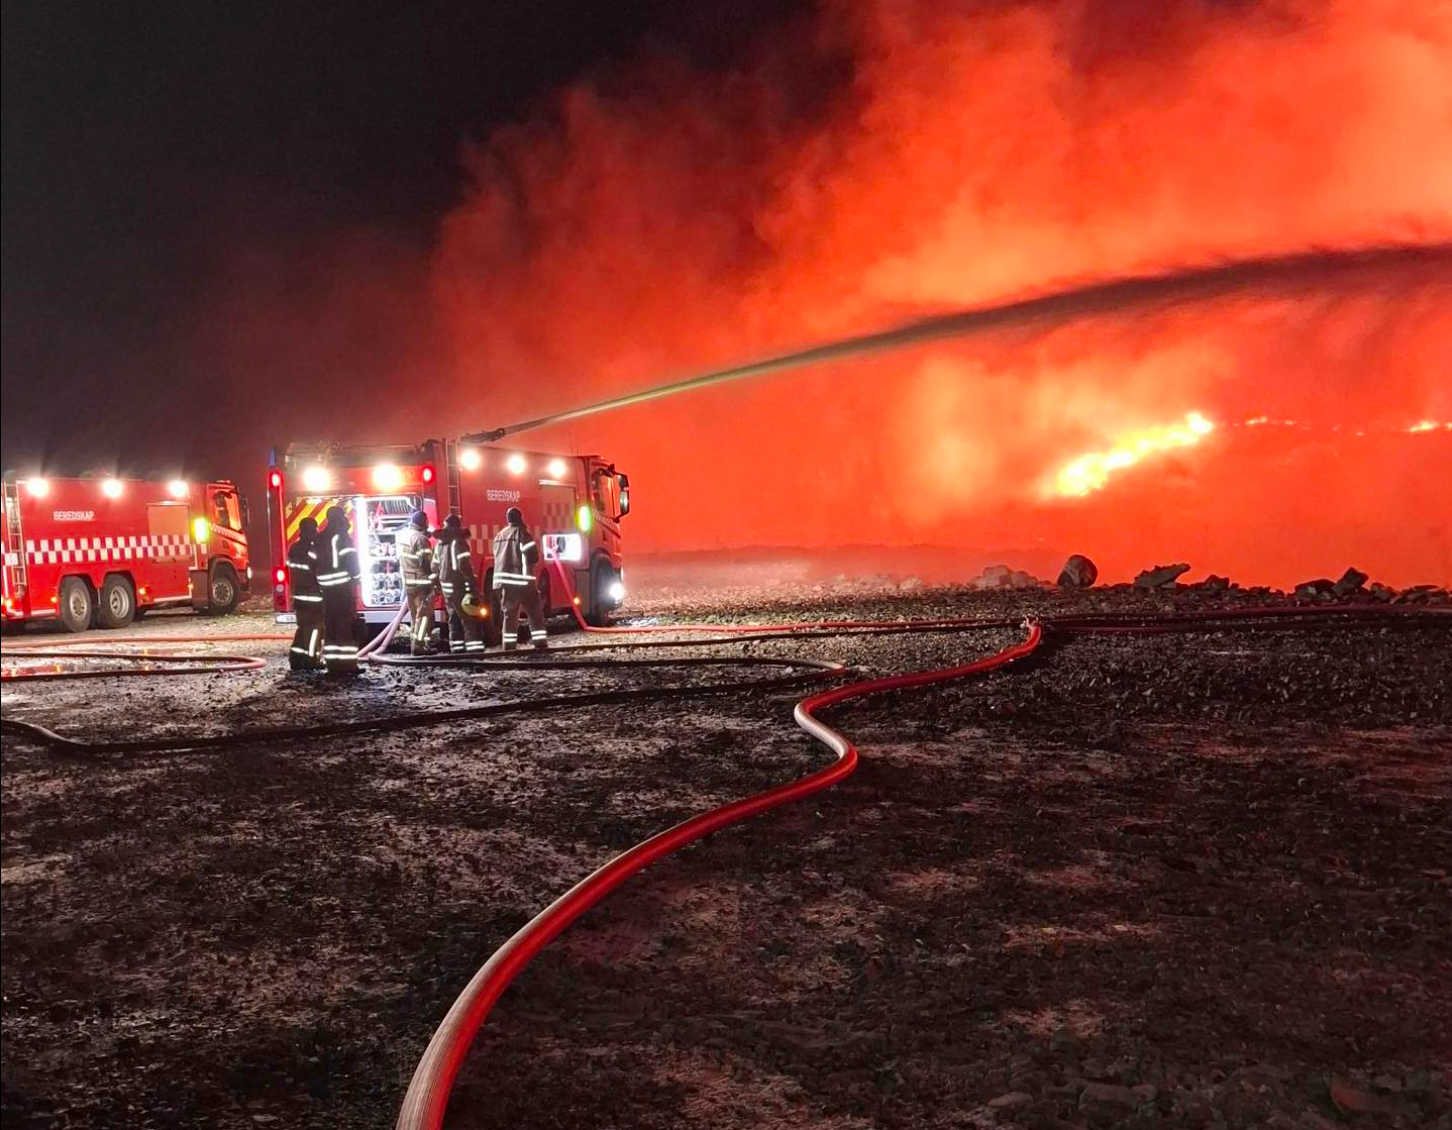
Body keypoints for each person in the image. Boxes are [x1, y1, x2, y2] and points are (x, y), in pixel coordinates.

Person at [316, 504, 363, 675]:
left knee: (331, 627)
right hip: (342, 589)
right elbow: (352, 561)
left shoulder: (320, 538)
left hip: (327, 591)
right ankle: (348, 665)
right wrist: (357, 580)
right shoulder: (342, 538)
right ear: (339, 518)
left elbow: (314, 562)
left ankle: (332, 663)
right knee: (344, 627)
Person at [491, 506, 546, 650]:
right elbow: (532, 557)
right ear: (520, 518)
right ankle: (540, 643)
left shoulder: (499, 536)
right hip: (523, 581)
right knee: (534, 611)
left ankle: (508, 646)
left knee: (509, 615)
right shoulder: (523, 534)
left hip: (505, 583)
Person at [435, 514, 485, 653]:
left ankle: (457, 649)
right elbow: (465, 566)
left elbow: (435, 566)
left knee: (453, 620)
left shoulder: (440, 543)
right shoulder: (459, 542)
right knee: (470, 619)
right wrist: (472, 587)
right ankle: (474, 650)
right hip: (459, 587)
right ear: (457, 526)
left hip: (447, 589)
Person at [396, 509, 437, 656]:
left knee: (415, 616)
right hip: (422, 582)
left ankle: (421, 644)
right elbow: (426, 563)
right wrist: (434, 577)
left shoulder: (403, 536)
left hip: (408, 582)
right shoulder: (420, 539)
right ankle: (418, 646)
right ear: (424, 522)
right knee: (424, 616)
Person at [286, 516, 324, 670]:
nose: (316, 532)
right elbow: (318, 570)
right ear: (310, 530)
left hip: (299, 595)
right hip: (313, 596)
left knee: (302, 628)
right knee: (315, 628)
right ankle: (310, 659)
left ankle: (296, 658)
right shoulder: (312, 548)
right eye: (314, 529)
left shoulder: (294, 548)